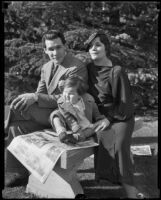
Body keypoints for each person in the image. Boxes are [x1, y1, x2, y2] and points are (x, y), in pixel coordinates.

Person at [4, 29, 88, 187]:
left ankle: (4, 127)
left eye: (58, 47)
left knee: (20, 106)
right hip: (48, 113)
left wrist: (35, 97)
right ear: (45, 50)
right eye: (51, 49)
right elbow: (40, 94)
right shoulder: (46, 67)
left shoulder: (76, 67)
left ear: (65, 47)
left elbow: (68, 98)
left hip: (67, 117)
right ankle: (16, 173)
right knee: (16, 126)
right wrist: (34, 97)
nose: (55, 52)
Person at [84, 30, 145, 199]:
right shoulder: (87, 69)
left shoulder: (116, 71)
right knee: (102, 139)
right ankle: (113, 179)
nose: (94, 48)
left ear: (106, 48)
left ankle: (132, 193)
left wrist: (109, 118)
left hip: (120, 115)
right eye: (91, 46)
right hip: (97, 116)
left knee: (120, 147)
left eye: (98, 45)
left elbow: (125, 104)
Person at [50, 75, 109, 144]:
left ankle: (77, 137)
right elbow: (69, 119)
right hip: (69, 123)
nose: (66, 95)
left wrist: (99, 119)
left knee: (97, 126)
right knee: (55, 116)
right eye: (65, 92)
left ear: (80, 95)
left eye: (71, 93)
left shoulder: (89, 99)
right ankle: (61, 133)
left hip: (84, 124)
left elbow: (96, 113)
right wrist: (77, 130)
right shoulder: (62, 102)